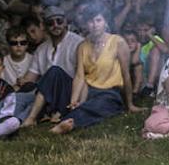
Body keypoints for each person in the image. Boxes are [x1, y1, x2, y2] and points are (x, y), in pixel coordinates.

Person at [53, 7, 139, 135]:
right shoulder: (82, 46)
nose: (94, 25)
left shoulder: (117, 42)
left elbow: (126, 75)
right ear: (86, 24)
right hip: (88, 91)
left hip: (110, 92)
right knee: (85, 104)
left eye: (98, 20)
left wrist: (130, 104)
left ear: (105, 22)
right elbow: (79, 76)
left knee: (100, 105)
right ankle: (71, 116)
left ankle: (68, 122)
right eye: (90, 21)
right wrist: (74, 100)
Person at [20, 9, 84, 126]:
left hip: (70, 95)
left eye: (59, 21)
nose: (55, 25)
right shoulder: (41, 49)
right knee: (19, 96)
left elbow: (84, 76)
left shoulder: (78, 43)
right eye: (50, 23)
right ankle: (7, 121)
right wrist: (16, 85)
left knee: (54, 71)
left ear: (65, 23)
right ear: (44, 26)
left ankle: (32, 118)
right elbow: (30, 78)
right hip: (47, 96)